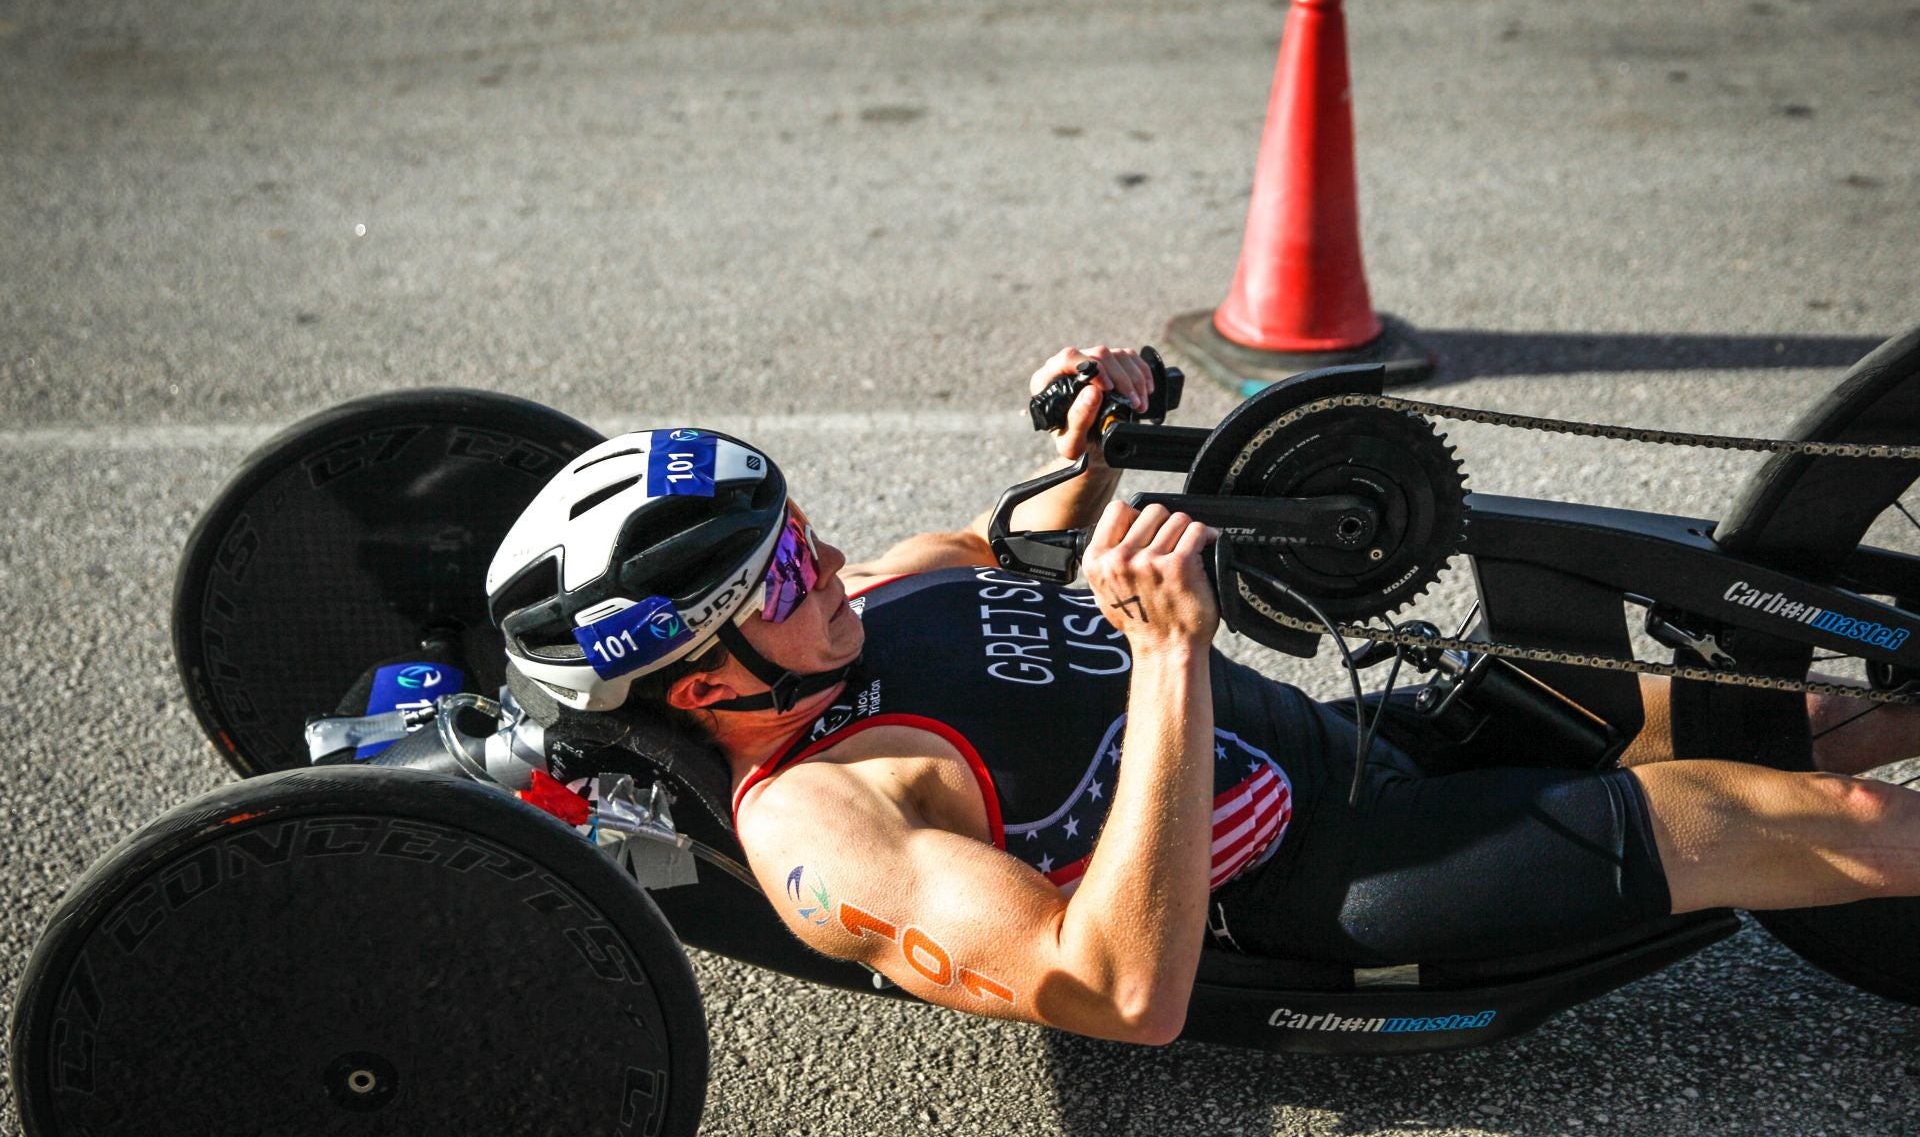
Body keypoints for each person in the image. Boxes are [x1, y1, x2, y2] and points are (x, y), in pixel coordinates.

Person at [484, 345, 1920, 1045]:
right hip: (1353, 874)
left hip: (1362, 738)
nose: (832, 560)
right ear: (698, 676)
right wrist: (1169, 656)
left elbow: (1044, 538)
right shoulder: (826, 826)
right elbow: (1118, 991)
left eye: (797, 529)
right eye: (785, 573)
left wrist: (1093, 416)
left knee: (1802, 711)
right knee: (1845, 818)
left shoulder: (886, 594)